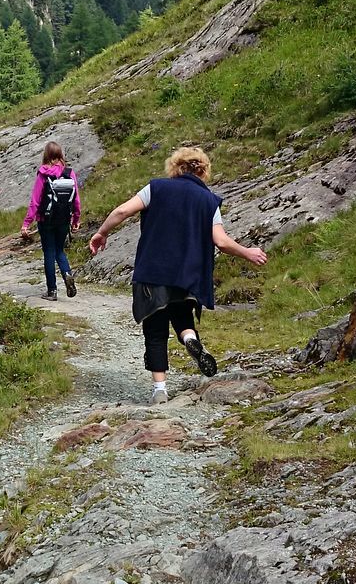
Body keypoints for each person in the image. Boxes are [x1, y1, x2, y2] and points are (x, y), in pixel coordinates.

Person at [88, 146, 267, 404]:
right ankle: (191, 340)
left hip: (153, 271)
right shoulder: (209, 201)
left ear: (175, 167)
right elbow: (221, 241)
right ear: (203, 170)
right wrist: (248, 252)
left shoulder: (156, 188)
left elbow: (121, 212)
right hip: (188, 275)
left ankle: (160, 390)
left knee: (156, 329)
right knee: (181, 314)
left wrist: (102, 233)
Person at [20, 141, 82, 300]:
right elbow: (76, 199)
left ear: (46, 155)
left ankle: (52, 291)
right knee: (60, 251)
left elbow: (35, 201)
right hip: (63, 219)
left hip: (45, 220)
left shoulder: (43, 173)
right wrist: (76, 219)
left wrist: (26, 224)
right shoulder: (69, 172)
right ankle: (67, 273)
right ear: (60, 154)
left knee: (49, 252)